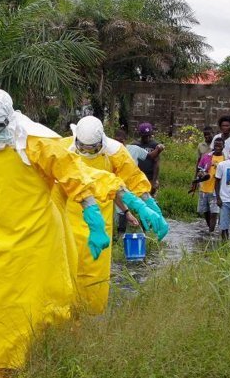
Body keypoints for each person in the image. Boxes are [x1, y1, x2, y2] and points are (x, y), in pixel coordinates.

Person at [0, 89, 124, 378]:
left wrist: (94, 219)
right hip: (3, 238)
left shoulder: (37, 142)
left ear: (10, 120)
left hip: (41, 238)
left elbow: (73, 176)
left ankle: (44, 361)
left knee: (42, 303)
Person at [59, 116, 169, 314]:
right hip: (69, 218)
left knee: (95, 272)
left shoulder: (116, 152)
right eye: (83, 148)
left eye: (92, 149)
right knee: (67, 268)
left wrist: (149, 204)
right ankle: (67, 316)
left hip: (101, 219)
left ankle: (91, 315)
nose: (87, 153)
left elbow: (132, 178)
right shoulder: (64, 149)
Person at [191, 137, 226, 232]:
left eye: (220, 145)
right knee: (205, 212)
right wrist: (201, 174)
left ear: (223, 146)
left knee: (214, 213)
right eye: (216, 145)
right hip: (204, 188)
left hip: (217, 190)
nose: (218, 147)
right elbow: (199, 170)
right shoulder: (206, 156)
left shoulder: (226, 159)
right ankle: (211, 230)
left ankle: (211, 234)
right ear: (213, 145)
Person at [133, 122, 164, 196]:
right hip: (138, 179)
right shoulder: (135, 145)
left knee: (151, 199)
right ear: (140, 135)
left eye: (148, 136)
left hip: (150, 178)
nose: (147, 138)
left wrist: (154, 181)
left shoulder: (155, 145)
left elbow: (156, 164)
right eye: (144, 136)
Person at [189, 126, 215, 194]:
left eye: (209, 134)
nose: (207, 136)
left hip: (213, 171)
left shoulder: (216, 144)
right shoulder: (201, 145)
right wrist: (196, 176)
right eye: (205, 135)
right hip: (203, 172)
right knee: (203, 191)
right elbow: (199, 161)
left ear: (213, 133)